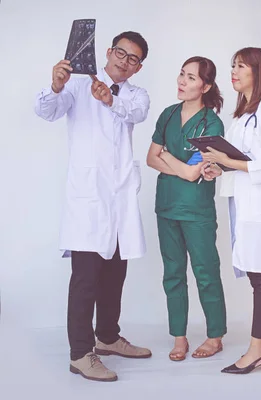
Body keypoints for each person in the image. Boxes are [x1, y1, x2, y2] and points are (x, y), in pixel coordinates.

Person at [34, 31, 152, 382]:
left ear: (138, 67)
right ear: (108, 51)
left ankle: (108, 338)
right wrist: (55, 86)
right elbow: (46, 111)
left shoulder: (136, 95)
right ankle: (80, 354)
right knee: (85, 279)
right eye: (120, 52)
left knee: (115, 274)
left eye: (132, 59)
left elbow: (136, 113)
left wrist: (109, 101)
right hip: (88, 201)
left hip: (120, 202)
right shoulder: (76, 84)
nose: (124, 61)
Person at [199, 47, 261, 374]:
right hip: (246, 203)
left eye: (241, 66)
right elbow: (241, 160)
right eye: (233, 66)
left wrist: (227, 162)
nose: (234, 71)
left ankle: (257, 350)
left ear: (258, 71)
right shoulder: (242, 114)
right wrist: (218, 167)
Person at [146, 56, 227, 362]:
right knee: (173, 274)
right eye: (182, 74)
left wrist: (169, 160)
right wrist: (173, 163)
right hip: (166, 207)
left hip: (197, 211)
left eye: (191, 78)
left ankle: (214, 335)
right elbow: (150, 158)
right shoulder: (167, 115)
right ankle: (179, 337)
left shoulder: (211, 123)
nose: (182, 81)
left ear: (205, 86)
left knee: (206, 272)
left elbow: (195, 174)